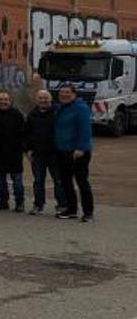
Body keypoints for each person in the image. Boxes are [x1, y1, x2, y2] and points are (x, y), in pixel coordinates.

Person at [53, 85, 94, 222]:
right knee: (66, 182)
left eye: (67, 92)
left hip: (77, 153)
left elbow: (85, 129)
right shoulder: (61, 107)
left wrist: (81, 148)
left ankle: (88, 212)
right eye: (62, 92)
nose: (64, 95)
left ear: (74, 94)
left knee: (82, 182)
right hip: (62, 151)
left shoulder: (80, 108)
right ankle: (71, 210)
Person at [24, 89, 64, 215]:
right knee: (38, 181)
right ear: (37, 100)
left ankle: (62, 205)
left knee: (58, 180)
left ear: (50, 99)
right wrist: (28, 150)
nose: (43, 100)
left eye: (45, 98)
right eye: (40, 98)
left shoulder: (58, 112)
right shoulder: (32, 115)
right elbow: (26, 134)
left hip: (55, 153)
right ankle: (38, 205)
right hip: (37, 154)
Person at [0, 90, 26, 212]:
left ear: (10, 101)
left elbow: (23, 133)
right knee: (0, 181)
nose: (3, 102)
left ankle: (20, 203)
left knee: (17, 182)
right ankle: (3, 202)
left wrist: (22, 148)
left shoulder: (17, 114)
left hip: (14, 153)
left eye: (5, 99)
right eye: (0, 99)